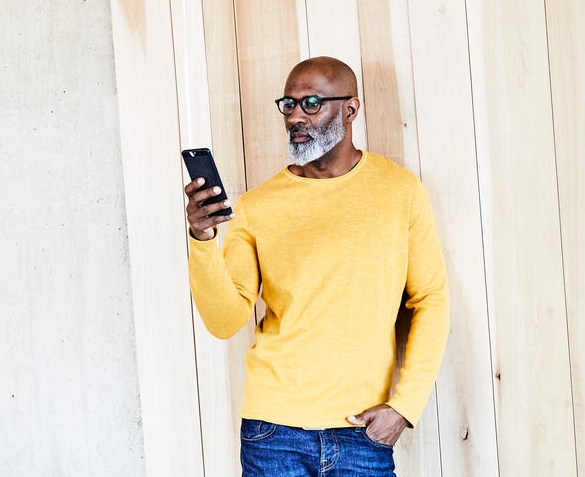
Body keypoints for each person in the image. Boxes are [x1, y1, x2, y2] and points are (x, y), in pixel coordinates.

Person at [183, 56, 450, 476]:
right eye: (288, 104)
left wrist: (406, 405)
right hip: (273, 432)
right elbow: (223, 320)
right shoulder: (258, 206)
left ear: (350, 109)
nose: (295, 117)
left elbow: (430, 299)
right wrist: (202, 240)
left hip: (361, 430)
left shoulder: (400, 191)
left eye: (311, 103)